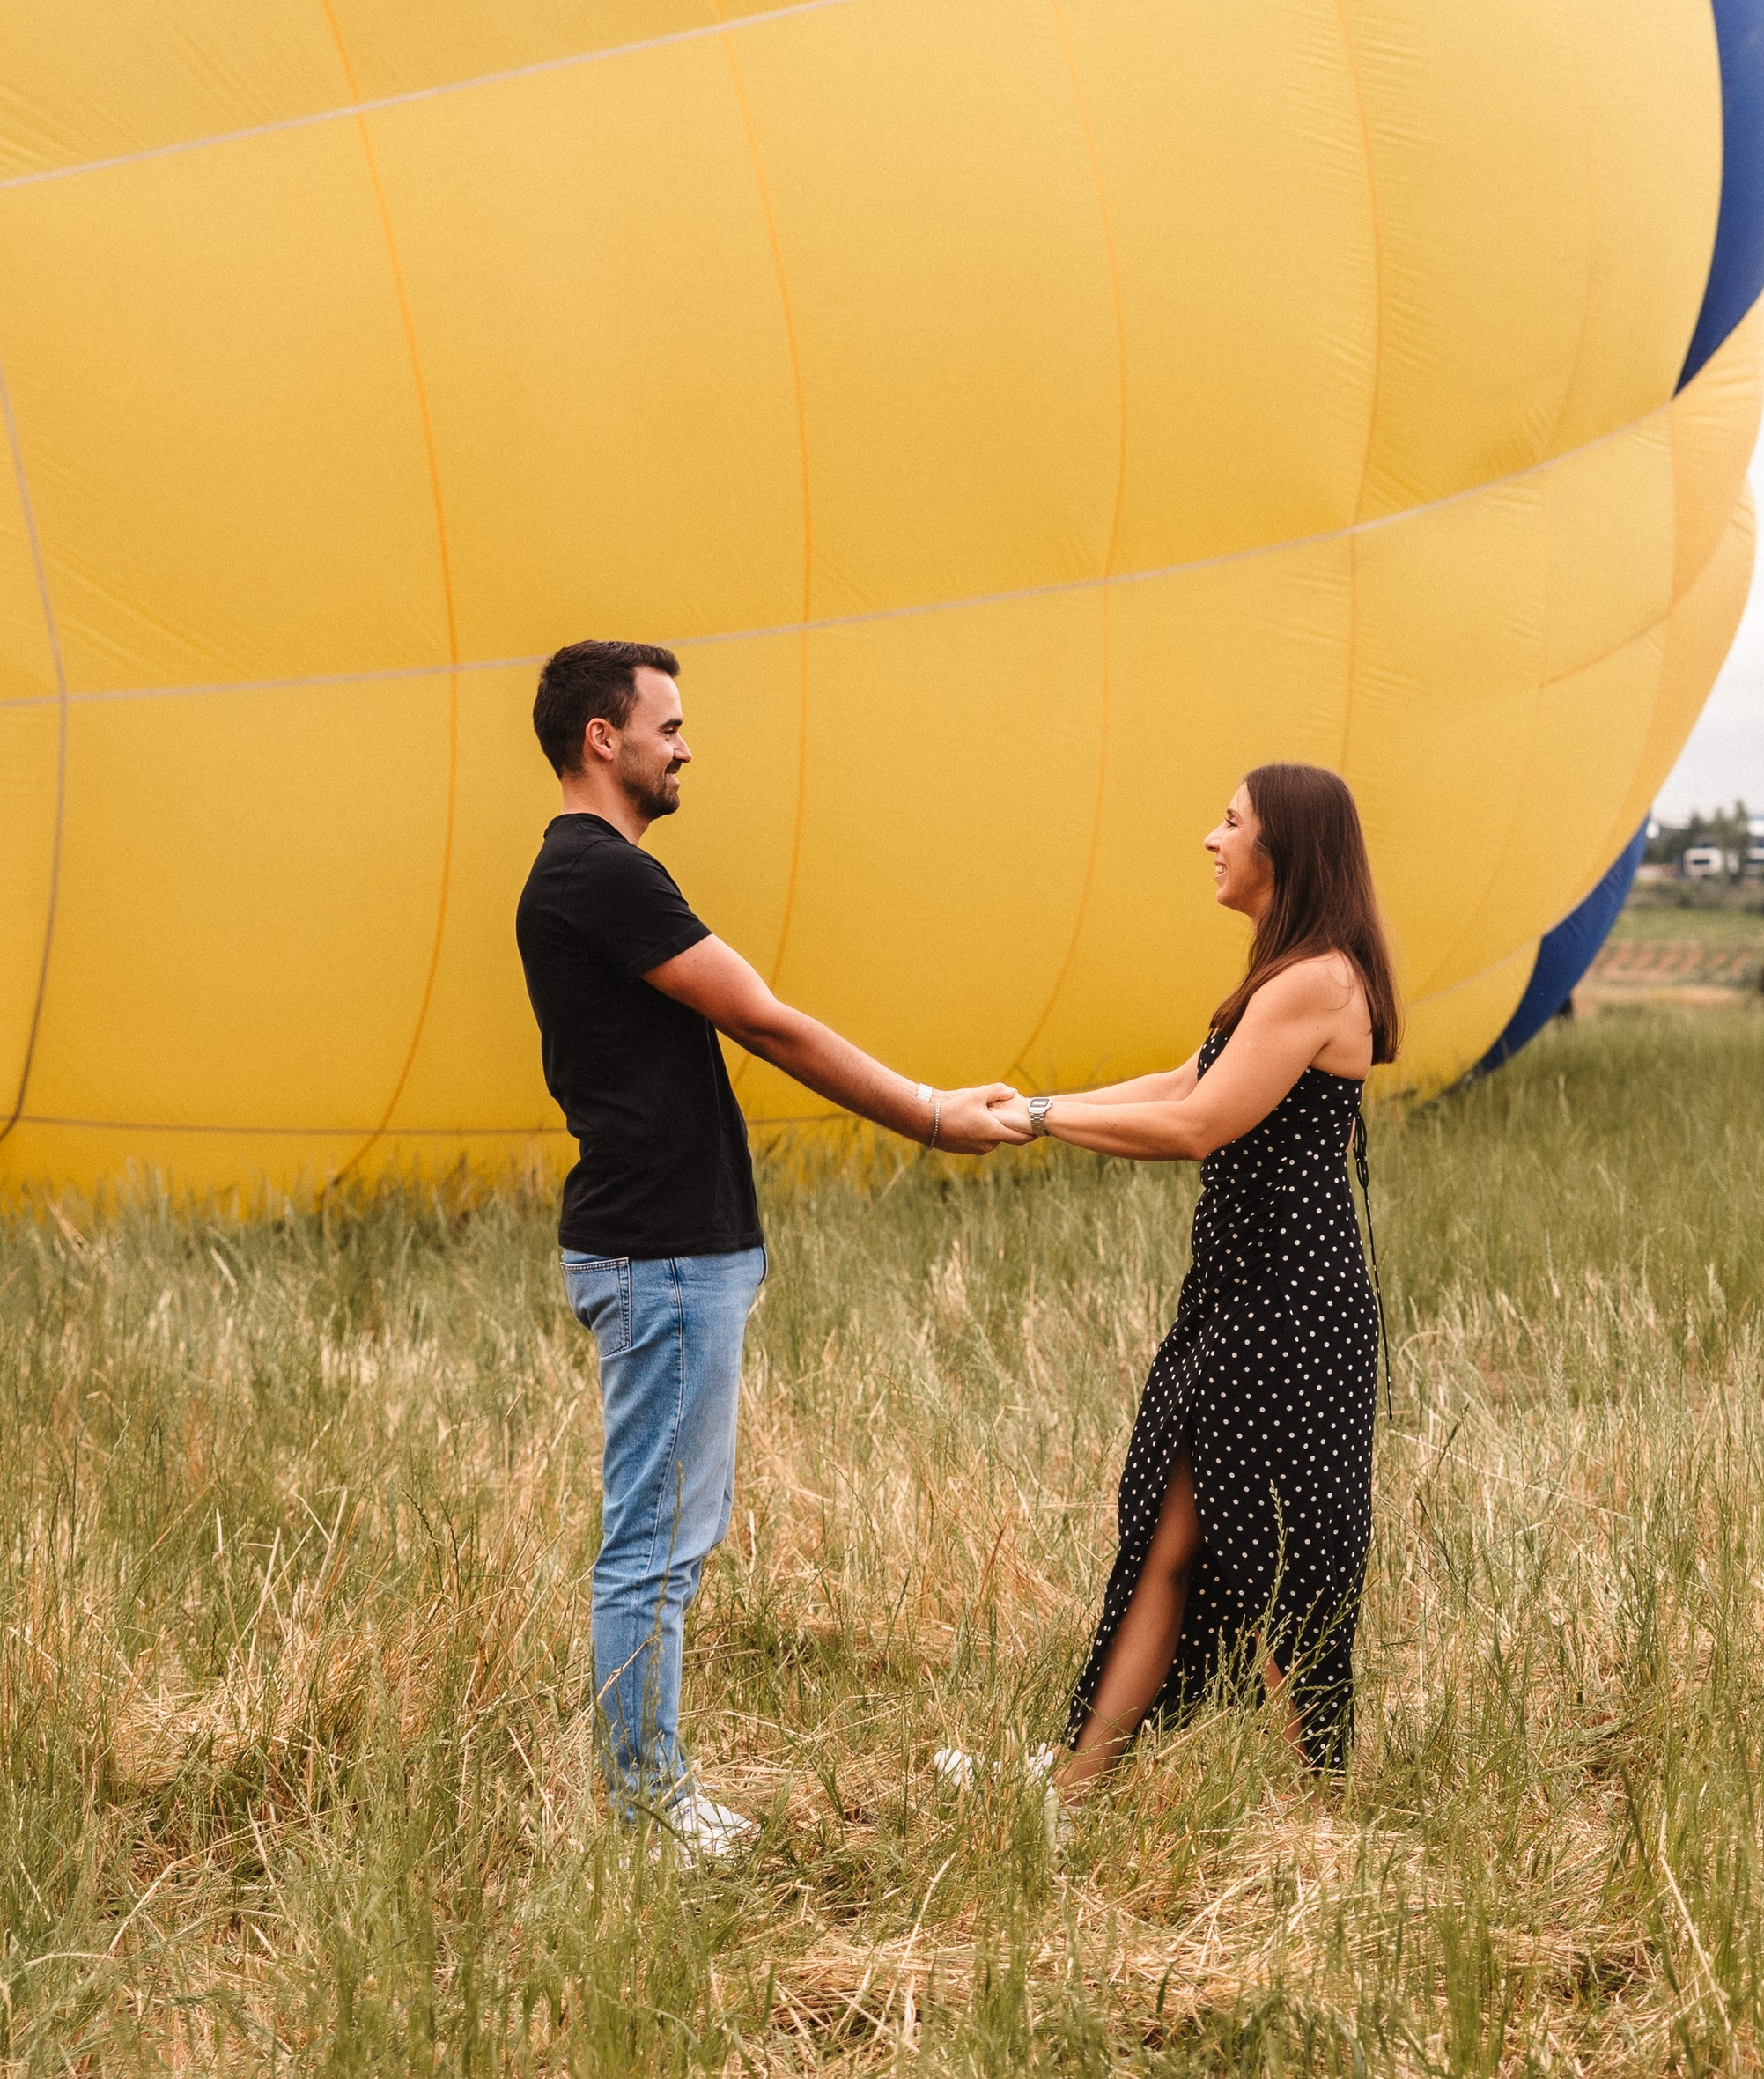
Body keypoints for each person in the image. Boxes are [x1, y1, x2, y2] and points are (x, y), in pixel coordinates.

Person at [517, 638, 1015, 1853]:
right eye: (668, 726)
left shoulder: (590, 875)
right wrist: (932, 1115)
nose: (685, 747)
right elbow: (768, 1022)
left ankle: (657, 1793)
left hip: (674, 1253)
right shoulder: (600, 873)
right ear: (604, 737)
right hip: (663, 1256)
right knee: (655, 1546)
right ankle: (648, 1812)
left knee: (671, 1539)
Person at [988, 762, 1399, 1788]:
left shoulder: (1317, 979)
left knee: (1274, 1558)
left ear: (1284, 850)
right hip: (1242, 1296)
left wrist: (1037, 1119)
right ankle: (1076, 1784)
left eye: (1229, 823)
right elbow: (1183, 1081)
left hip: (1287, 1308)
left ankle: (1321, 1807)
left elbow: (1198, 1125)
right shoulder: (1286, 974)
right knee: (1171, 1540)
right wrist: (1031, 1107)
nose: (1210, 840)